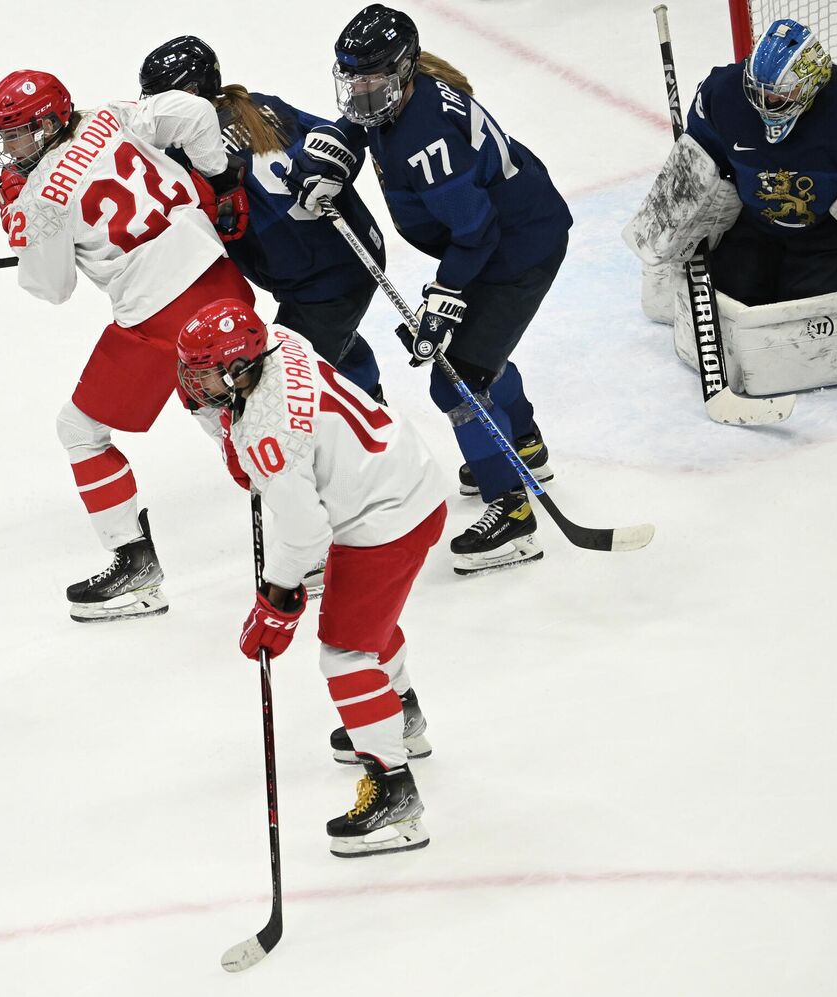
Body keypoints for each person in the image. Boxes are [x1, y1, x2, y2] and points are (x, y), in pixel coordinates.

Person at [288, 5, 567, 575]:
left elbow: (476, 230)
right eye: (354, 78)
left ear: (404, 70)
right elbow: (363, 126)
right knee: (476, 357)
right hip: (496, 239)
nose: (361, 90)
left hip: (514, 249)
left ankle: (512, 514)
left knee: (457, 377)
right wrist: (338, 155)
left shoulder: (428, 133)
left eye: (373, 78)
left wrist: (445, 298)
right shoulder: (402, 95)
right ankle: (526, 449)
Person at [0, 68, 256, 621]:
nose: (7, 146)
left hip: (161, 317)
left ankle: (135, 570)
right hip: (220, 280)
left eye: (16, 133)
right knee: (234, 418)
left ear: (47, 124)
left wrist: (19, 219)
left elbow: (50, 287)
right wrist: (215, 175)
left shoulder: (40, 199)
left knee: (80, 430)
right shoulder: (109, 115)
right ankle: (324, 530)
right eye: (2, 134)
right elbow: (196, 113)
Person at [178, 298, 444, 855]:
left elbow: (304, 531)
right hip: (402, 474)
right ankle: (402, 715)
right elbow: (265, 429)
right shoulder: (280, 339)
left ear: (236, 368)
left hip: (384, 516)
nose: (193, 383)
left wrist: (276, 599)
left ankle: (395, 793)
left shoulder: (270, 434)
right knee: (368, 619)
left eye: (204, 372)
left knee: (344, 653)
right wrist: (229, 427)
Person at [137, 34, 389, 402]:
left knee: (278, 390)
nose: (152, 107)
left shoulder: (183, 152)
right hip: (355, 251)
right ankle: (371, 402)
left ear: (188, 94)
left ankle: (366, 430)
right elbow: (343, 140)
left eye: (159, 98)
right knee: (331, 337)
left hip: (319, 282)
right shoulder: (261, 105)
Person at [687, 18, 837, 305]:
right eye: (759, 90)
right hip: (752, 228)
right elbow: (700, 160)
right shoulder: (721, 93)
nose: (767, 101)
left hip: (830, 237)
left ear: (813, 78)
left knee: (806, 309)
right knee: (729, 294)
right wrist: (691, 211)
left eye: (780, 93)